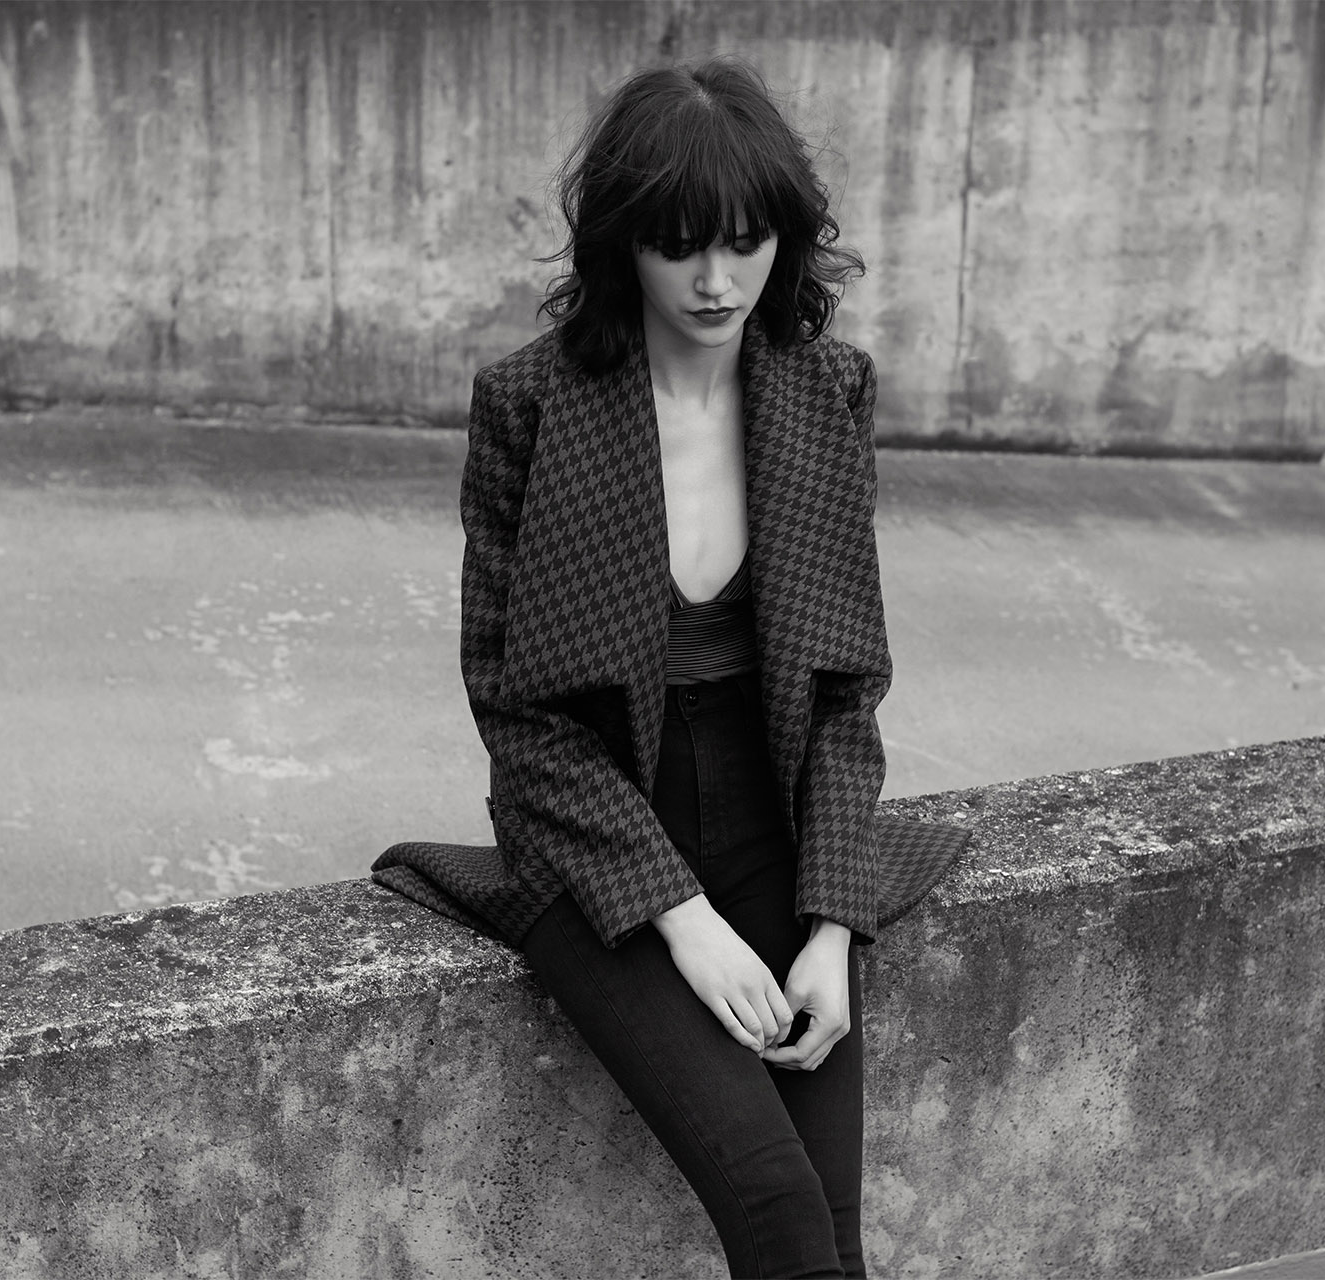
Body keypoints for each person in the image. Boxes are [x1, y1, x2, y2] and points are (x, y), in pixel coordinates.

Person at [374, 55, 963, 1279]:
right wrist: (683, 920)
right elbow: (517, 711)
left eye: (745, 243)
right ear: (622, 244)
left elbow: (844, 689)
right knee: (774, 1203)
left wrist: (833, 925)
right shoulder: (534, 404)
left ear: (785, 240)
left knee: (832, 1227)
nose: (714, 281)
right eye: (678, 245)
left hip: (776, 821)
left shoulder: (825, 390)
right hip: (597, 832)